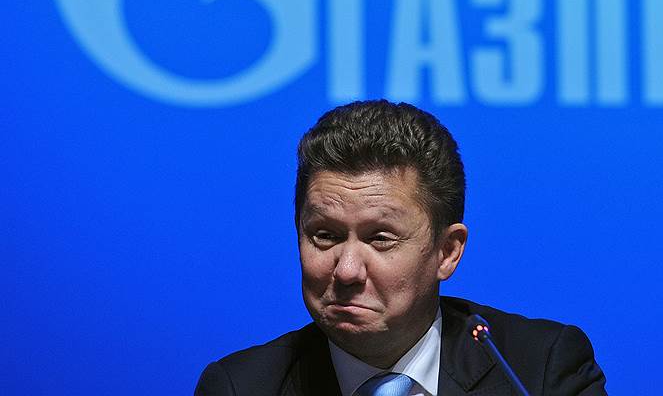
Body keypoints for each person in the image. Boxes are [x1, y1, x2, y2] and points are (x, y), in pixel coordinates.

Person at [195, 100, 607, 395]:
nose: (347, 270)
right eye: (325, 235)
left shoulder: (538, 371)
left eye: (380, 239)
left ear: (447, 252)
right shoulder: (239, 386)